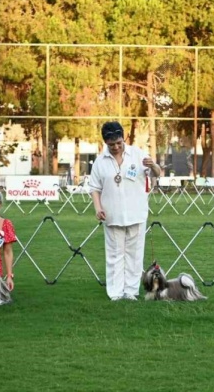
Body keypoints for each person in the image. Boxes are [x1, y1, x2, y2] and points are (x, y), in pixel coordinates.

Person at [88, 121, 161, 301]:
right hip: (112, 214)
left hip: (136, 213)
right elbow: (94, 188)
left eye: (119, 143)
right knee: (114, 255)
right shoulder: (100, 161)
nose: (116, 147)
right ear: (105, 142)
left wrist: (153, 165)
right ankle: (115, 292)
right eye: (111, 144)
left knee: (134, 255)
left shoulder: (137, 154)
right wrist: (98, 208)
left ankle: (131, 291)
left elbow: (157, 173)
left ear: (124, 138)